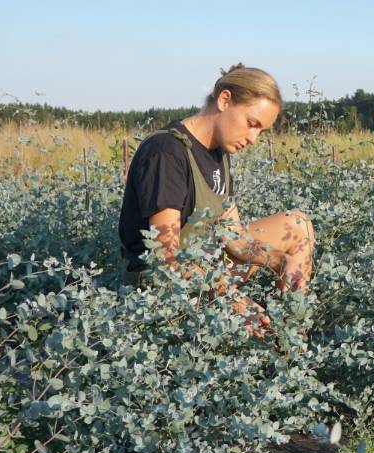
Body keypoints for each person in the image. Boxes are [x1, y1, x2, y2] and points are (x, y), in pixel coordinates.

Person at [118, 64, 314, 328]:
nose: (254, 138)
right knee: (229, 296)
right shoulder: (167, 152)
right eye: (252, 124)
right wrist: (233, 299)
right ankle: (270, 338)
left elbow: (235, 238)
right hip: (161, 286)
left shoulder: (218, 153)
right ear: (225, 100)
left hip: (204, 267)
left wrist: (283, 261)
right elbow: (166, 257)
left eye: (261, 131)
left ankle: (290, 338)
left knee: (297, 224)